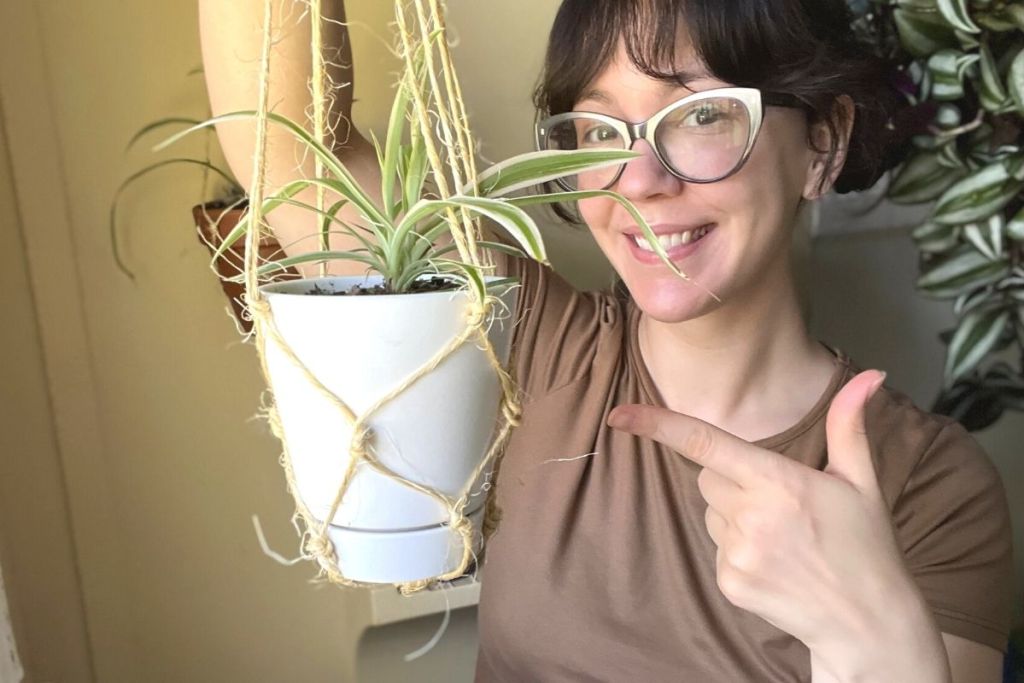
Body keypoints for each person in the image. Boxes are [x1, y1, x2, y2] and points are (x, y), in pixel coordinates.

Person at [200, 0, 1015, 680]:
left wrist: (870, 634)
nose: (638, 180)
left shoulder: (931, 489)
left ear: (822, 145)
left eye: (699, 114)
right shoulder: (525, 345)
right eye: (598, 129)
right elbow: (288, 147)